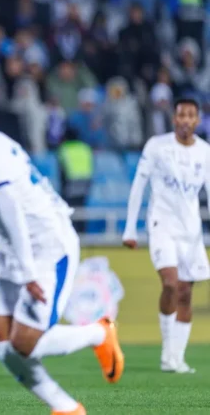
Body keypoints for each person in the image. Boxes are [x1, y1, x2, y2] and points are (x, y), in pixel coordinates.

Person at [0, 82, 123, 415]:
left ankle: (98, 333)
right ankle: (66, 408)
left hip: (47, 245)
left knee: (24, 343)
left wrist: (29, 272)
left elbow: (11, 210)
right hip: (16, 245)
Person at [122, 97, 210, 374]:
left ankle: (176, 358)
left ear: (197, 120)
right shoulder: (157, 146)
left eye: (190, 115)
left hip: (191, 231)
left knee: (185, 293)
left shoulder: (205, 153)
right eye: (180, 115)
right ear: (174, 119)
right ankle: (166, 351)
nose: (185, 120)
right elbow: (139, 185)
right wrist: (129, 227)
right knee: (171, 284)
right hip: (162, 225)